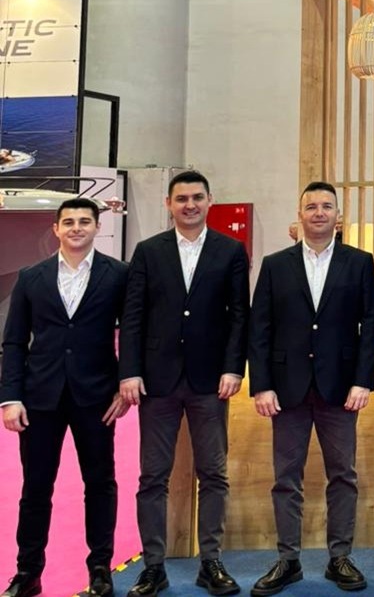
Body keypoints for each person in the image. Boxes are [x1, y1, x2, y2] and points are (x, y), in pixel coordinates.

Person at [119, 170, 250, 597]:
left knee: (213, 473)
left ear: (210, 200)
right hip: (156, 380)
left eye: (196, 197)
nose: (189, 205)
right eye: (181, 198)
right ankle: (153, 566)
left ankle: (211, 562)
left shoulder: (230, 250)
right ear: (169, 204)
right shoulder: (148, 251)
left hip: (210, 381)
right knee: (152, 477)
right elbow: (133, 316)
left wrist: (233, 368)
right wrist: (129, 371)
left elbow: (239, 315)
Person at [247, 181, 374, 595]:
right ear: (300, 214)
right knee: (286, 478)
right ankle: (288, 560)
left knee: (344, 475)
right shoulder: (275, 264)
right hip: (286, 388)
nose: (319, 213)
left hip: (340, 387)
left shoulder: (359, 262)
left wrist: (363, 380)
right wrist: (261, 385)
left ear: (338, 216)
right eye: (311, 207)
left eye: (327, 206)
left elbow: (370, 324)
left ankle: (340, 557)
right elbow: (260, 328)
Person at [1, 198, 129, 597]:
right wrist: (10, 397)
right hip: (40, 398)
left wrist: (125, 385)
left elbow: (134, 332)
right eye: (69, 221)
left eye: (85, 221)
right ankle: (27, 573)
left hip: (97, 397)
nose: (76, 228)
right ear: (55, 228)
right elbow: (14, 340)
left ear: (97, 228)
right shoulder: (31, 277)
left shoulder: (118, 275)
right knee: (35, 488)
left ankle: (100, 569)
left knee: (100, 484)